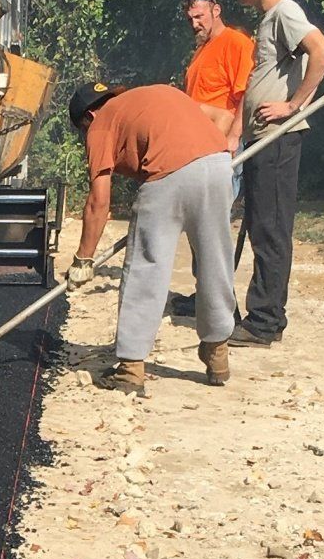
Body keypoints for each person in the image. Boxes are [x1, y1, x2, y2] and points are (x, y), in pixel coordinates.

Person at [68, 79, 238, 396]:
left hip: (166, 175)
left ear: (88, 116)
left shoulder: (100, 124)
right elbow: (224, 117)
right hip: (217, 167)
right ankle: (217, 353)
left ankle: (131, 368)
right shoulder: (159, 93)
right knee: (216, 263)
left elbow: (98, 202)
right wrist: (206, 158)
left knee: (147, 268)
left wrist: (83, 259)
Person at [232, 0, 324, 346]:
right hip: (263, 139)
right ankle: (264, 316)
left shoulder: (284, 12)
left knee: (271, 229)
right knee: (262, 226)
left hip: (278, 140)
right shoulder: (270, 19)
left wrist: (293, 106)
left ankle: (265, 321)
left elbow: (322, 52)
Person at [181, 0, 254, 154]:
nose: (194, 24)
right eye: (190, 19)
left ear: (216, 11)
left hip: (224, 144)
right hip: (197, 143)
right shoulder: (199, 52)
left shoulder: (236, 42)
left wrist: (234, 137)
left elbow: (248, 94)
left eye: (199, 17)